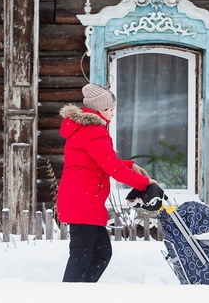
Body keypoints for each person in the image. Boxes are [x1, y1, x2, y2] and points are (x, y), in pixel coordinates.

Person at [57, 83, 155, 283]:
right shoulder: (93, 131)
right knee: (82, 257)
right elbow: (113, 168)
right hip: (82, 203)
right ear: (100, 109)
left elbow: (99, 161)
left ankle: (83, 292)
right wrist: (145, 183)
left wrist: (130, 165)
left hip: (83, 201)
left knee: (99, 254)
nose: (112, 113)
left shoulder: (84, 129)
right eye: (111, 109)